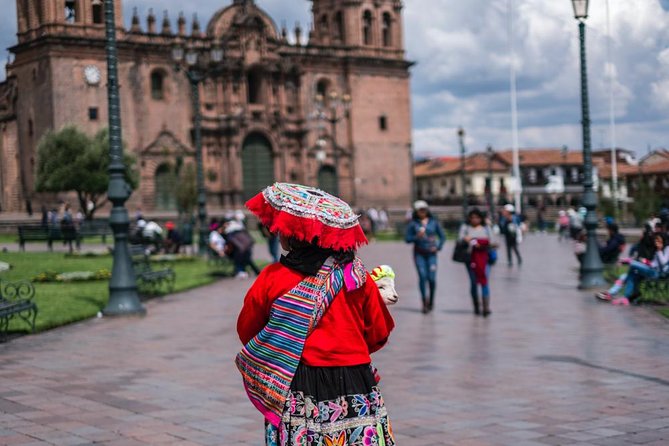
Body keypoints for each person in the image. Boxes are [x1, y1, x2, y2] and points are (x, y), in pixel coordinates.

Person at [236, 182, 395, 446]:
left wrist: (287, 339)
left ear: (296, 236)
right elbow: (378, 333)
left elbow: (248, 331)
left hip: (297, 380)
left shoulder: (272, 278)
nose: (279, 233)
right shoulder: (357, 278)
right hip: (356, 380)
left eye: (285, 230)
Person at [596, 233, 669, 305]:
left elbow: (663, 262)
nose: (656, 242)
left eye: (658, 240)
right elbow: (654, 264)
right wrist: (645, 261)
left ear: (664, 240)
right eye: (656, 240)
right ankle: (616, 295)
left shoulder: (667, 248)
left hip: (657, 273)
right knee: (626, 275)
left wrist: (659, 250)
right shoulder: (657, 250)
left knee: (632, 265)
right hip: (651, 271)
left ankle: (627, 261)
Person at [405, 200, 446, 313]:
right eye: (420, 210)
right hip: (419, 253)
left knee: (431, 278)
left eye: (424, 210)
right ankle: (424, 302)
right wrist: (417, 236)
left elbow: (442, 237)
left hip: (431, 253)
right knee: (422, 277)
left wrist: (438, 247)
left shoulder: (433, 222)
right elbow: (407, 239)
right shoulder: (413, 224)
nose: (422, 213)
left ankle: (431, 299)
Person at [459, 208, 495, 316]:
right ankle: (476, 305)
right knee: (474, 282)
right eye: (472, 217)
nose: (475, 220)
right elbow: (460, 239)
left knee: (484, 280)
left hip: (484, 258)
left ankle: (486, 307)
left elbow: (493, 241)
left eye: (477, 217)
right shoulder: (465, 228)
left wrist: (482, 244)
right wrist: (467, 239)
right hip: (471, 258)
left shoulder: (486, 228)